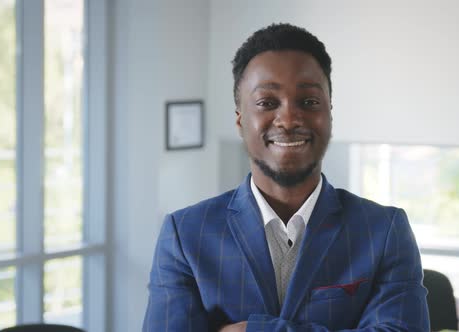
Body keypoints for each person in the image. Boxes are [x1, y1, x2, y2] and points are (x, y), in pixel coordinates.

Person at [143, 23, 430, 332]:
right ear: (240, 119)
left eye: (309, 102)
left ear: (329, 114)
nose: (290, 119)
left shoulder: (384, 232)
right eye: (267, 103)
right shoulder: (185, 235)